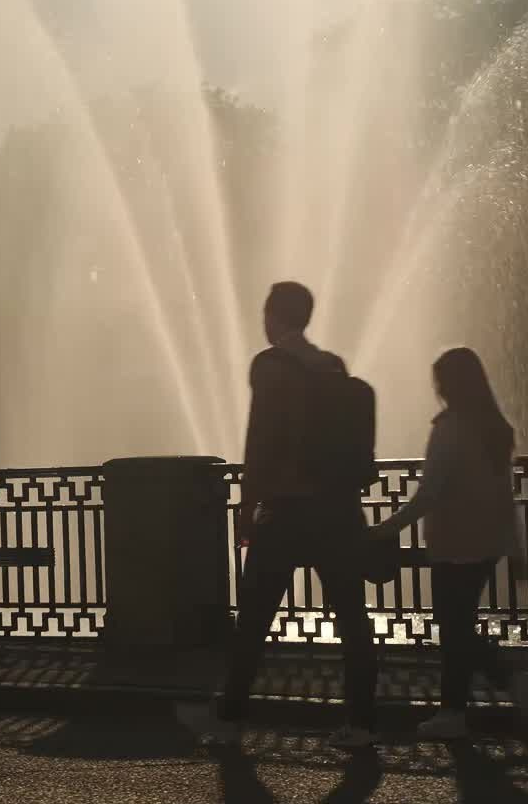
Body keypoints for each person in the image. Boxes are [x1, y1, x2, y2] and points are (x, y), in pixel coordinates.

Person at [180, 281, 378, 748]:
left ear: (274, 315)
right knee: (353, 619)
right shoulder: (333, 366)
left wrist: (247, 507)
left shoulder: (270, 366)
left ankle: (229, 721)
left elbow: (261, 440)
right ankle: (362, 724)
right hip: (338, 510)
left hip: (287, 510)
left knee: (252, 619)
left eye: (265, 313)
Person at [369, 346, 528, 739]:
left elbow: (428, 495)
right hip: (486, 545)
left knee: (453, 628)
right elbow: (504, 498)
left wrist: (385, 529)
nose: (437, 389)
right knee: (458, 626)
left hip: (454, 544)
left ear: (450, 385)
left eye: (439, 381)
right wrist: (515, 550)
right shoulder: (493, 429)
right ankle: (482, 695)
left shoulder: (449, 429)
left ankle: (466, 704)